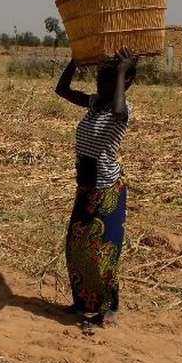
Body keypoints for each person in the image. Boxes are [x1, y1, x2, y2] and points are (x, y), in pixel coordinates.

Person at [55, 48, 137, 327]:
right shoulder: (94, 104)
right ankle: (82, 303)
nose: (100, 87)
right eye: (100, 81)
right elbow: (61, 89)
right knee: (76, 247)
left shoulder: (122, 110)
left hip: (108, 190)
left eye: (108, 82)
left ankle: (109, 308)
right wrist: (76, 60)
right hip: (86, 189)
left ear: (125, 84)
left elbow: (117, 108)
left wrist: (122, 72)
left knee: (104, 254)